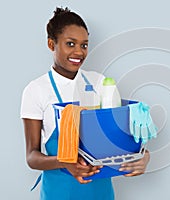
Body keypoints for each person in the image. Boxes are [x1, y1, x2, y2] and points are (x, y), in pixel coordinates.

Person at [20, 7, 150, 200]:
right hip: (60, 191)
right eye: (70, 44)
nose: (79, 52)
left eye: (84, 45)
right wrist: (64, 162)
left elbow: (116, 141)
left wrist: (143, 156)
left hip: (101, 191)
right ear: (51, 44)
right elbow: (32, 157)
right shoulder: (36, 89)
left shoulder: (100, 83)